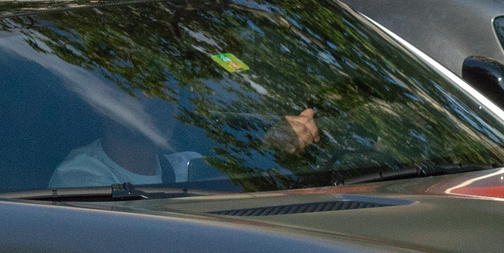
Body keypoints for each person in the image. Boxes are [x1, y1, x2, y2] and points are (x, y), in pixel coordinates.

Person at [50, 93, 320, 189]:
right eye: (142, 89)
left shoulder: (188, 164)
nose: (163, 102)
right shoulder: (80, 178)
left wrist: (269, 146)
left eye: (168, 91)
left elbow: (238, 179)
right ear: (102, 103)